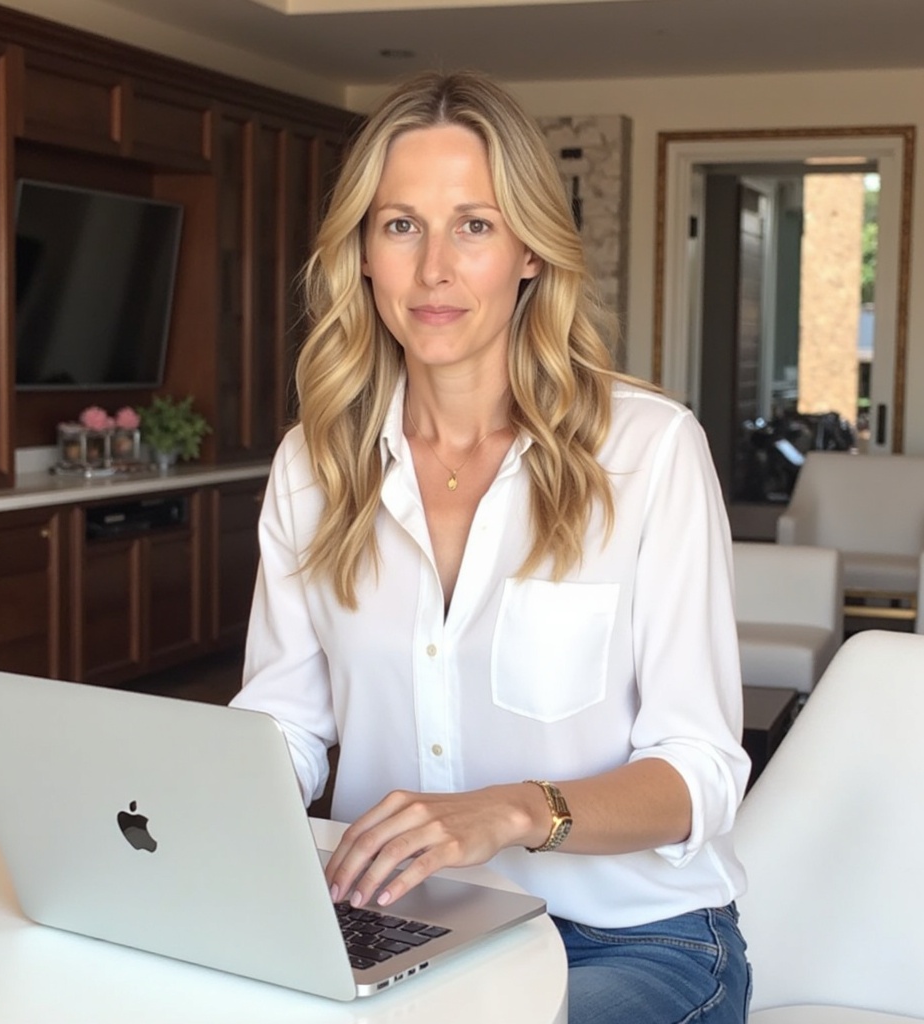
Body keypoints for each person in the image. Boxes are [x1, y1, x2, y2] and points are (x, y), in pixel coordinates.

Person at [231, 69, 752, 1023]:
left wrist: (514, 809)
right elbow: (290, 725)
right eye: (401, 226)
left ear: (527, 253)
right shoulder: (314, 465)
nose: (434, 268)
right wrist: (198, 797)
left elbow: (701, 774)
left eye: (474, 224)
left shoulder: (649, 451)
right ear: (363, 253)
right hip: (391, 920)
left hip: (634, 939)